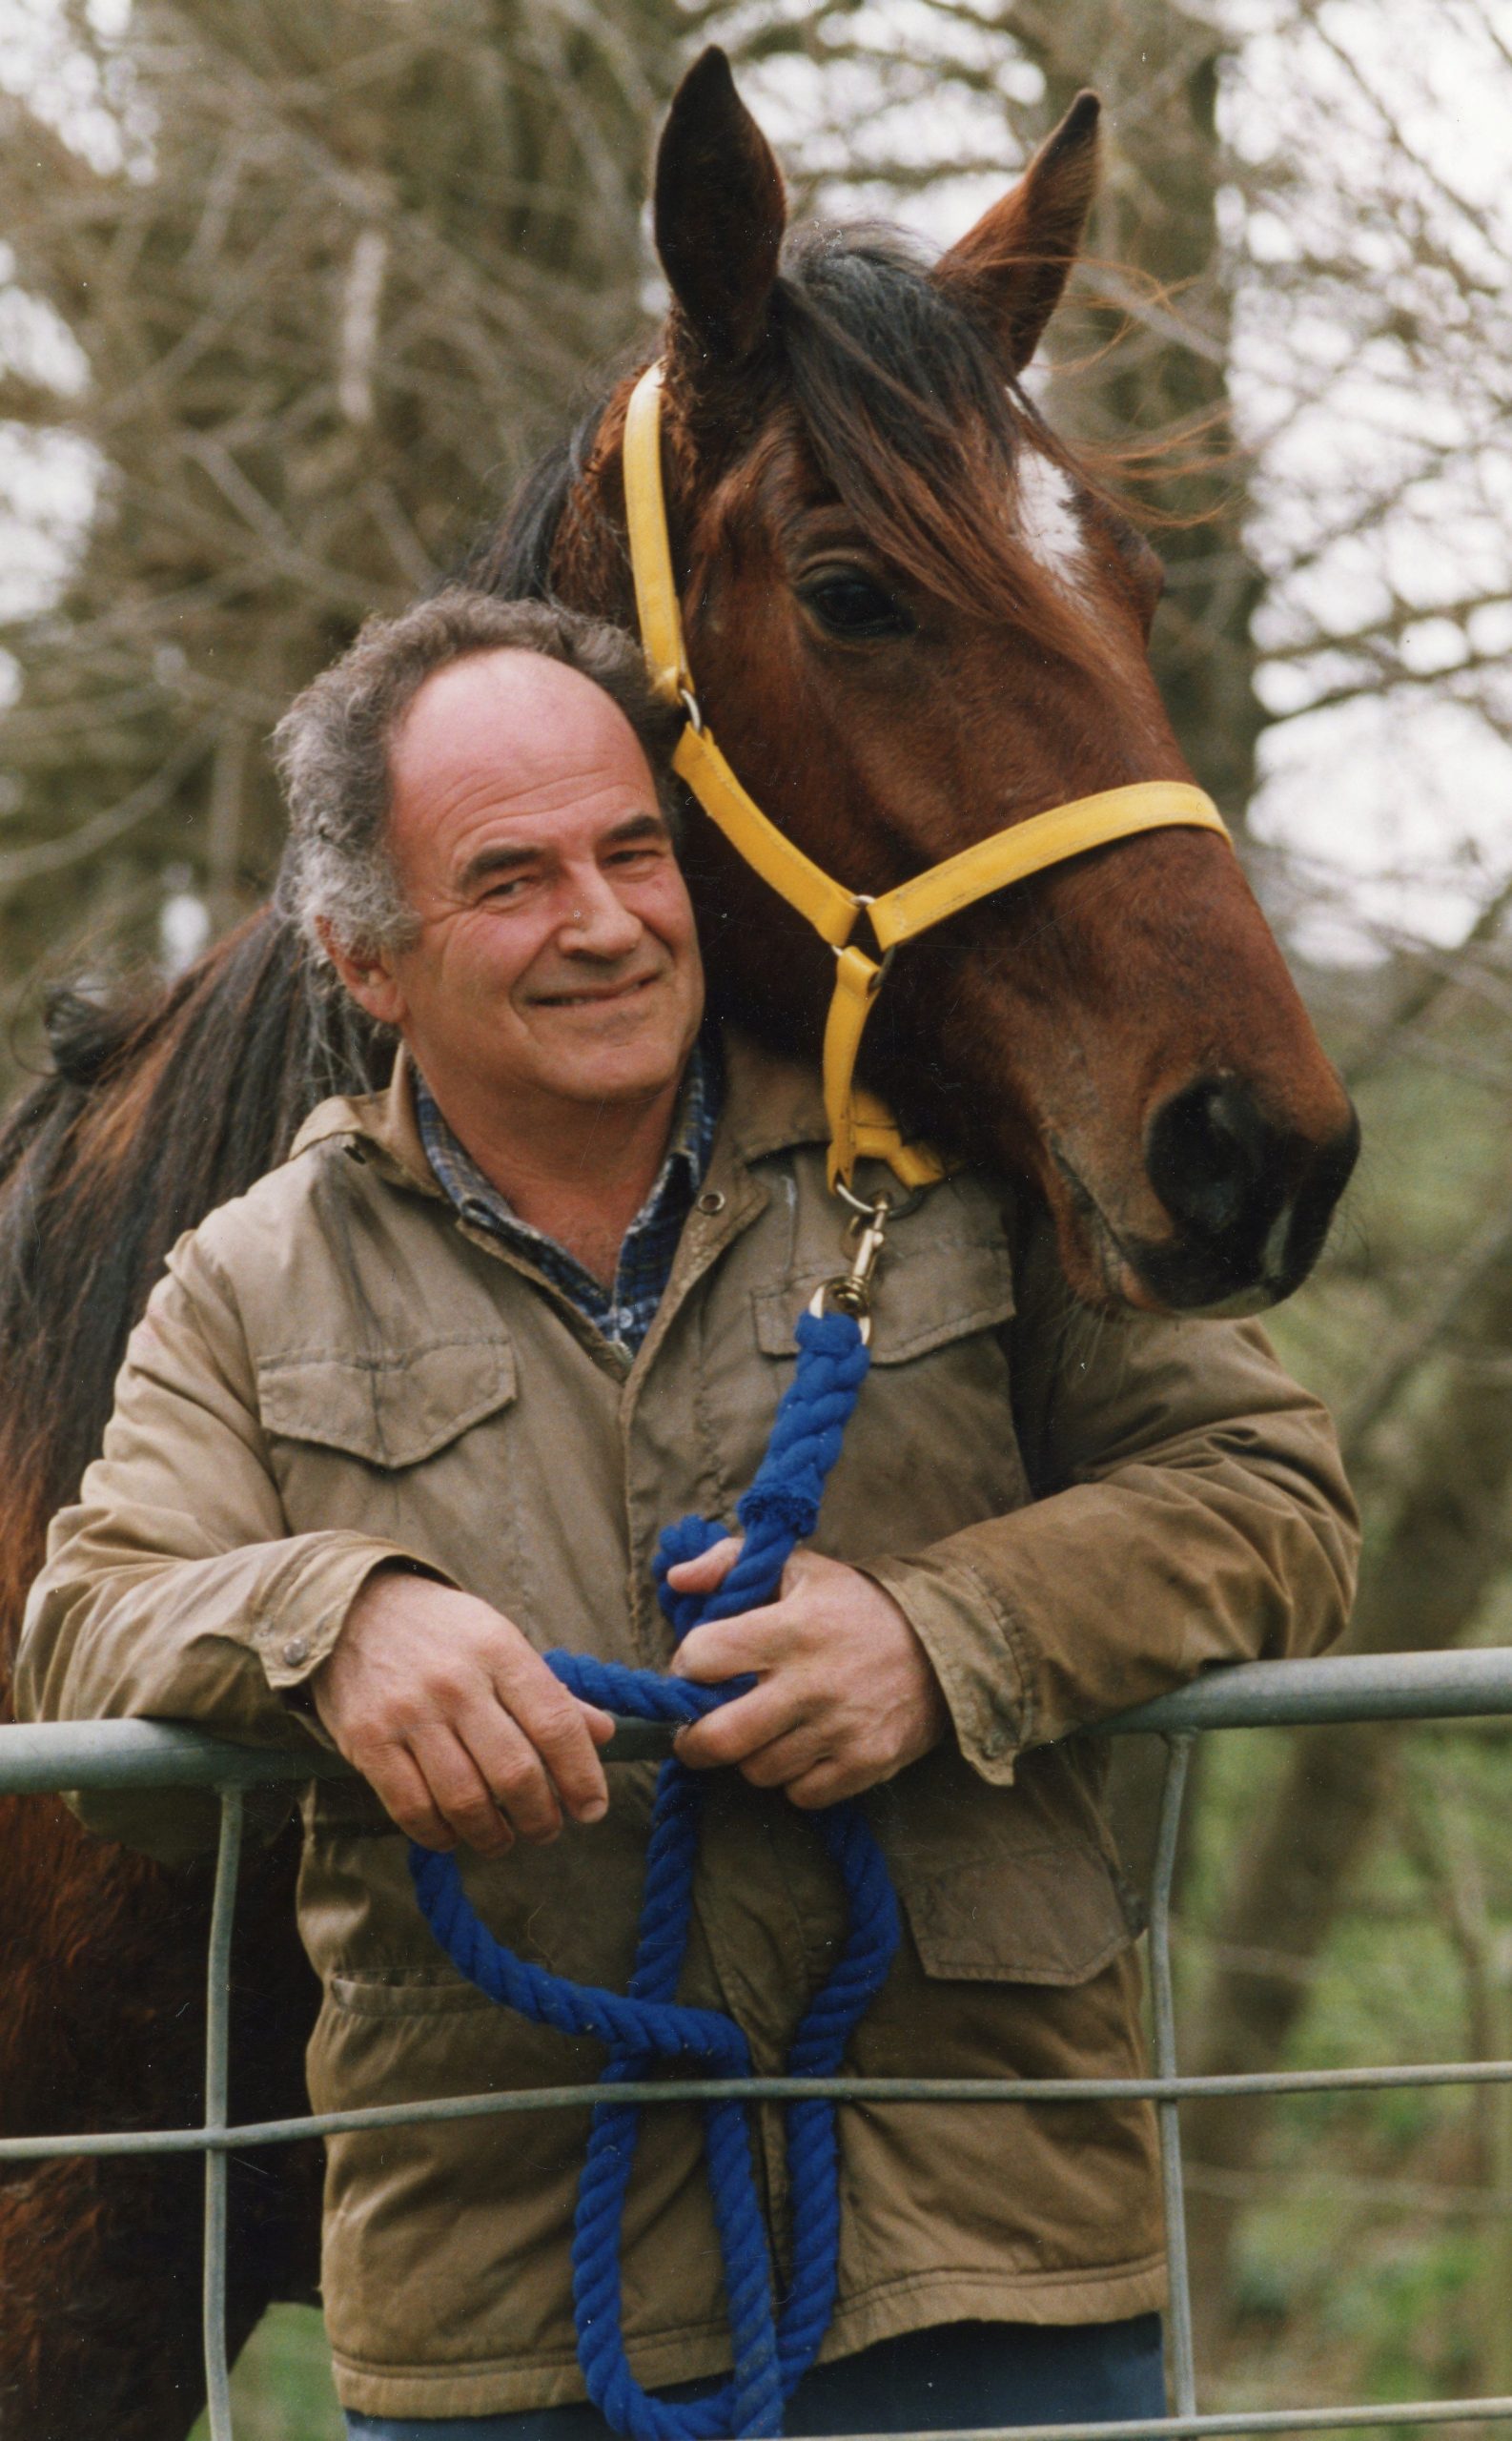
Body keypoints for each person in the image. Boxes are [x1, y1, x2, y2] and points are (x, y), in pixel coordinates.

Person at [15, 589, 1358, 2438]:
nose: (605, 921)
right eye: (510, 879)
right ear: (362, 955)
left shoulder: (951, 1169)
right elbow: (86, 1622)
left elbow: (1268, 1492)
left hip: (986, 2260)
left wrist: (940, 1633)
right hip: (508, 2315)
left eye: (633, 850)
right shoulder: (248, 1283)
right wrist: (338, 1622)